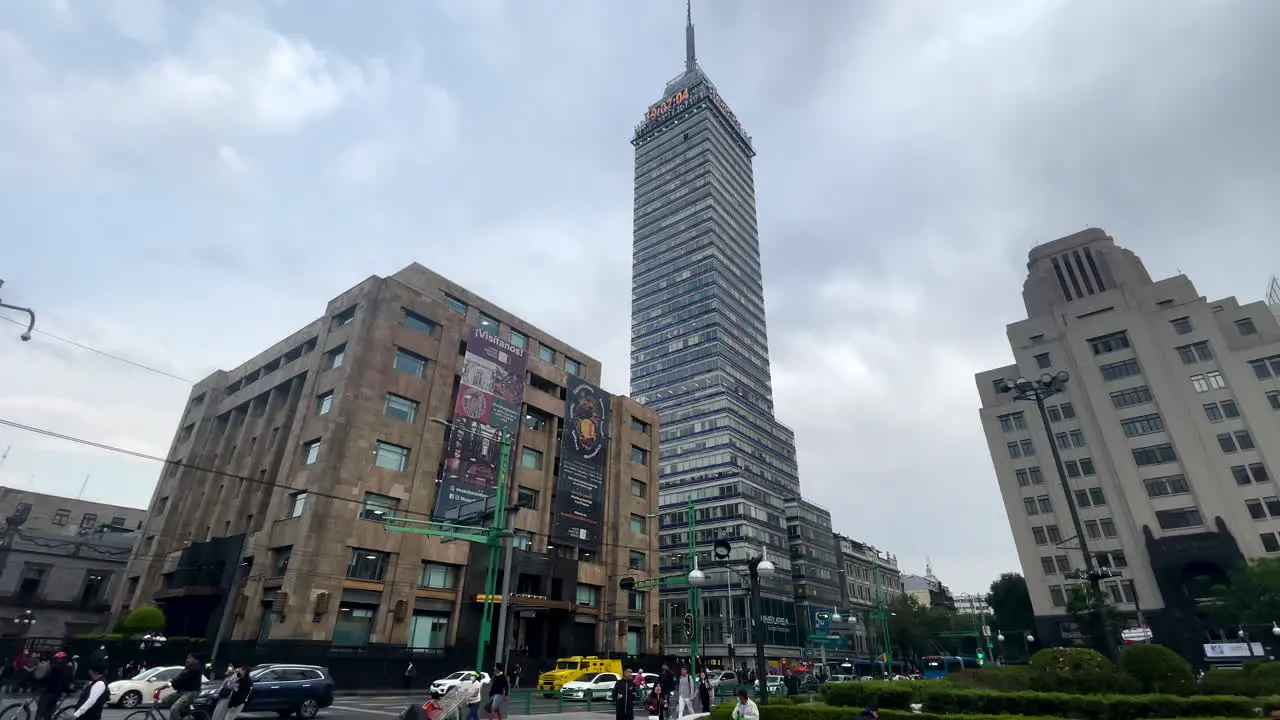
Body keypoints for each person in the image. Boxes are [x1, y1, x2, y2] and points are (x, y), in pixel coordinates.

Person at [36, 652, 74, 720]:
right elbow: (68, 680)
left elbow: (46, 678)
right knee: (50, 711)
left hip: (49, 691)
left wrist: (36, 683)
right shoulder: (68, 668)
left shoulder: (54, 667)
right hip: (58, 693)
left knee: (41, 711)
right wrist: (67, 690)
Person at [168, 655, 204, 720]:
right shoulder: (188, 667)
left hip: (191, 692)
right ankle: (187, 713)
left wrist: (169, 684)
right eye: (187, 658)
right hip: (182, 691)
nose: (187, 660)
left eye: (189, 659)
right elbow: (179, 678)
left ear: (194, 660)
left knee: (174, 709)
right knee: (165, 701)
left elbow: (180, 679)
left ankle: (186, 714)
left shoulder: (194, 668)